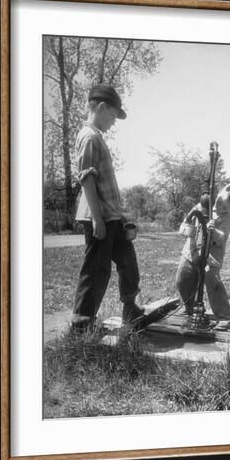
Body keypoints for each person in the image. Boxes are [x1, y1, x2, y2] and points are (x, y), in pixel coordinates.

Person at [70, 84, 144, 331]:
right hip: (98, 217)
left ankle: (130, 308)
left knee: (127, 261)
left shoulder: (97, 137)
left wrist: (118, 214)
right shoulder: (88, 137)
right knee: (96, 271)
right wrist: (98, 219)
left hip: (112, 216)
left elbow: (103, 182)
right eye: (113, 115)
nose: (113, 122)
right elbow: (87, 179)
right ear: (101, 108)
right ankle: (81, 326)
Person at [175, 183, 230, 320]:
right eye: (219, 201)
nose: (219, 206)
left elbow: (223, 238)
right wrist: (187, 230)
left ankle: (224, 316)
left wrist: (213, 230)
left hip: (211, 258)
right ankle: (189, 308)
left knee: (214, 285)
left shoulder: (226, 218)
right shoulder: (201, 206)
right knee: (182, 279)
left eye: (224, 207)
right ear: (218, 194)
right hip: (191, 251)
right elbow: (184, 225)